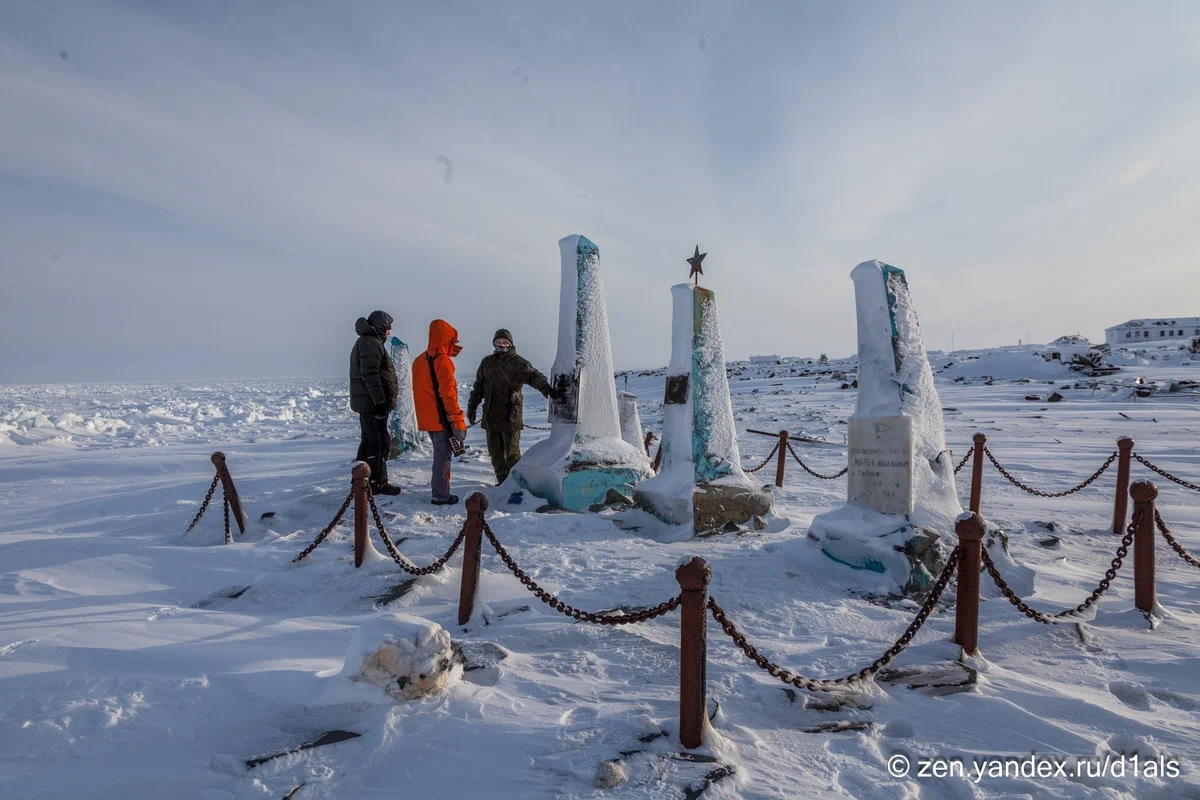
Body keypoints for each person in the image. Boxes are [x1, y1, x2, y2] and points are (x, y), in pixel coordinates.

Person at [467, 328, 553, 485]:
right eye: (498, 342)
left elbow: (534, 376)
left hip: (510, 416)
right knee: (495, 453)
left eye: (504, 342)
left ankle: (514, 484)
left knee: (512, 454)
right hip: (491, 416)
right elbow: (478, 387)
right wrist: (472, 407)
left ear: (511, 344)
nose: (501, 345)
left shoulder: (519, 363)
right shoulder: (487, 362)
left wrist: (545, 388)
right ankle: (501, 481)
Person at [412, 319, 467, 505]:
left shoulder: (419, 360)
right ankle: (441, 495)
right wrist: (457, 419)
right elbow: (448, 394)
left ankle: (440, 492)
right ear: (447, 339)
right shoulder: (442, 361)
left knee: (439, 455)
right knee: (443, 458)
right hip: (442, 418)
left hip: (428, 418)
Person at [349, 310, 402, 495]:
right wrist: (380, 401)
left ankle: (360, 480)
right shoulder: (370, 343)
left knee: (369, 441)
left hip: (369, 402)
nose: (389, 332)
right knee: (379, 442)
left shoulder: (369, 341)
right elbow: (370, 375)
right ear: (381, 327)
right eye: (388, 329)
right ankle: (376, 483)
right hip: (372, 403)